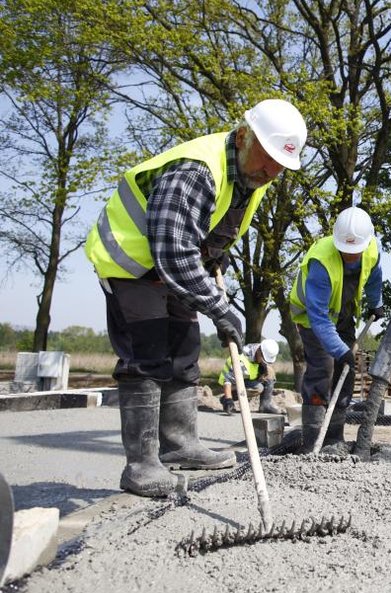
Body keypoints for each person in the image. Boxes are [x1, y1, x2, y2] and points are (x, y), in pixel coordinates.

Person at [84, 99, 307, 497]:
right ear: (243, 137)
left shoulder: (249, 179)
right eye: (268, 159)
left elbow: (212, 233)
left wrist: (215, 257)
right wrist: (219, 308)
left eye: (281, 167)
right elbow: (172, 251)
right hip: (133, 264)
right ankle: (141, 466)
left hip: (176, 269)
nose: (272, 171)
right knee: (147, 356)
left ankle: (180, 445)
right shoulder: (196, 171)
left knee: (184, 352)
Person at [289, 206, 384, 455]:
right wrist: (340, 350)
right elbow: (318, 316)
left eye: (355, 251)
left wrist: (376, 303)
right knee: (322, 369)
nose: (350, 256)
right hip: (312, 320)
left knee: (347, 371)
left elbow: (374, 276)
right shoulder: (321, 261)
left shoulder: (372, 248)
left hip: (344, 315)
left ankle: (334, 437)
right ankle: (312, 441)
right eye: (345, 251)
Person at [218, 339, 281, 415]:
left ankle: (265, 405)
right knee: (258, 388)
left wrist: (261, 372)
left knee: (270, 372)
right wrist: (228, 399)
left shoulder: (259, 349)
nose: (264, 361)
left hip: (245, 379)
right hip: (231, 384)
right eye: (263, 359)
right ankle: (226, 398)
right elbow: (227, 380)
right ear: (259, 351)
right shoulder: (240, 359)